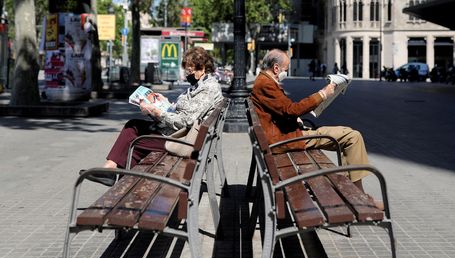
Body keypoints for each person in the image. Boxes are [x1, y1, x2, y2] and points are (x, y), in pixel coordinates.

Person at [250, 49, 384, 210]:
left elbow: (283, 110)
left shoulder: (263, 81)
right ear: (276, 68)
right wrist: (322, 94)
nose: (286, 72)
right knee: (352, 136)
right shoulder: (266, 84)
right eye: (286, 69)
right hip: (286, 140)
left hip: (284, 135)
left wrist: (294, 117)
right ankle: (359, 197)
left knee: (347, 133)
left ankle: (356, 194)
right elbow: (290, 109)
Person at [81, 47, 223, 185]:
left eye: (190, 70)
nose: (187, 75)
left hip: (181, 141)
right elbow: (186, 113)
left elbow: (186, 121)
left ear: (202, 68)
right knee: (133, 126)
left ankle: (116, 175)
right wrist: (164, 104)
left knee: (134, 140)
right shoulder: (202, 85)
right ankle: (113, 172)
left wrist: (157, 112)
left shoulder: (208, 88)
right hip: (180, 134)